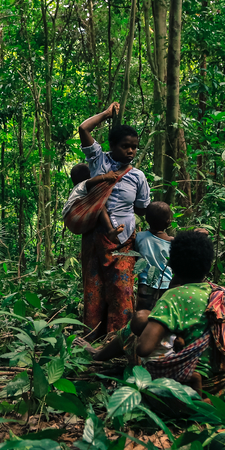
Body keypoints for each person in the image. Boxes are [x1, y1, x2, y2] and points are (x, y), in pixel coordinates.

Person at [84, 230, 225, 396]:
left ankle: (97, 356)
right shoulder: (219, 294)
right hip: (217, 387)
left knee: (133, 331)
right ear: (209, 265)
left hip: (180, 389)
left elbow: (144, 348)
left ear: (172, 264)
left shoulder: (173, 297)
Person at [78, 102, 151, 339]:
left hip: (123, 239)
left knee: (122, 288)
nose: (130, 151)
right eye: (125, 146)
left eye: (134, 147)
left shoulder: (138, 176)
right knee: (94, 286)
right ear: (113, 146)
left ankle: (118, 339)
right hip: (95, 236)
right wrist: (107, 114)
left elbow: (142, 208)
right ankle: (93, 336)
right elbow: (83, 128)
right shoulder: (99, 161)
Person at [61, 163, 125, 239]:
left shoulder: (76, 190)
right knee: (100, 204)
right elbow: (90, 182)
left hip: (70, 221)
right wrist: (106, 176)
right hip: (74, 214)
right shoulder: (82, 185)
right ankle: (110, 230)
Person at [135, 201, 174, 312]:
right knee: (162, 313)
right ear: (168, 222)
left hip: (145, 283)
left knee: (142, 313)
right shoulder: (172, 242)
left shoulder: (139, 237)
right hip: (166, 284)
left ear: (147, 219)